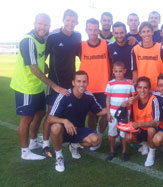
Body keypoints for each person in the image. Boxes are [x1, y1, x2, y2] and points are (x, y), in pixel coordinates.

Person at [10, 13, 67, 160]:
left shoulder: (43, 38)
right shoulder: (28, 41)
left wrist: (45, 65)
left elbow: (40, 58)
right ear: (34, 23)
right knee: (26, 119)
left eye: (46, 24)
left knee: (40, 113)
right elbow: (33, 68)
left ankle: (34, 142)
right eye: (40, 24)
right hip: (26, 87)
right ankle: (25, 152)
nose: (43, 27)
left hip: (38, 87)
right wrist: (53, 85)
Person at [47, 71, 107, 172]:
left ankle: (74, 145)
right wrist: (65, 121)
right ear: (73, 83)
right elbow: (49, 118)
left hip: (78, 129)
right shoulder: (64, 95)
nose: (81, 84)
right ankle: (59, 157)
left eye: (84, 81)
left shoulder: (89, 96)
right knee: (55, 127)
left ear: (88, 83)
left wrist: (116, 106)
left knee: (96, 140)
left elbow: (99, 112)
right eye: (78, 81)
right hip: (63, 130)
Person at [43, 9, 81, 156]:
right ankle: (46, 144)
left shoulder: (77, 36)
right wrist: (44, 67)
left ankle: (72, 142)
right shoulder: (53, 36)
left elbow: (81, 55)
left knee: (71, 112)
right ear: (63, 20)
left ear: (77, 22)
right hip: (55, 83)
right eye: (68, 20)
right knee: (51, 113)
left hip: (71, 83)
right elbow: (43, 56)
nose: (70, 23)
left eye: (73, 21)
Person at [79, 18, 110, 151]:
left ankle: (100, 135)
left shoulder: (106, 44)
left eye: (95, 29)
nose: (93, 32)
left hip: (104, 87)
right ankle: (92, 136)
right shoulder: (80, 45)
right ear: (86, 30)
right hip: (88, 88)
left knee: (105, 114)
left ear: (99, 30)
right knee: (91, 115)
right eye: (90, 29)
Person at [124, 77, 163, 166]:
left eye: (145, 88)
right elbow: (120, 108)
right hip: (141, 129)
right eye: (139, 87)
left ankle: (152, 153)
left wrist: (138, 124)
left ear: (149, 89)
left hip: (156, 129)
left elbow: (156, 123)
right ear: (136, 89)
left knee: (151, 129)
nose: (142, 90)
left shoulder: (154, 99)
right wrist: (128, 102)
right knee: (128, 137)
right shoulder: (133, 100)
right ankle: (145, 145)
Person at [105, 62, 136, 161]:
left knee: (123, 133)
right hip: (113, 112)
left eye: (120, 71)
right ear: (113, 71)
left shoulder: (129, 84)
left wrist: (129, 101)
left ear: (125, 71)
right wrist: (108, 113)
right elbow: (108, 99)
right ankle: (112, 151)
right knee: (112, 132)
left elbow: (133, 96)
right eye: (116, 71)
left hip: (125, 114)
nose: (118, 73)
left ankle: (124, 152)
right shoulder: (110, 84)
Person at [131, 22, 163, 94]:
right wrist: (137, 89)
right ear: (140, 33)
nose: (146, 34)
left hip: (159, 89)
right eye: (144, 32)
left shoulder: (161, 48)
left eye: (148, 31)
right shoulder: (135, 49)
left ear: (152, 32)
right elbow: (134, 71)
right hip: (143, 90)